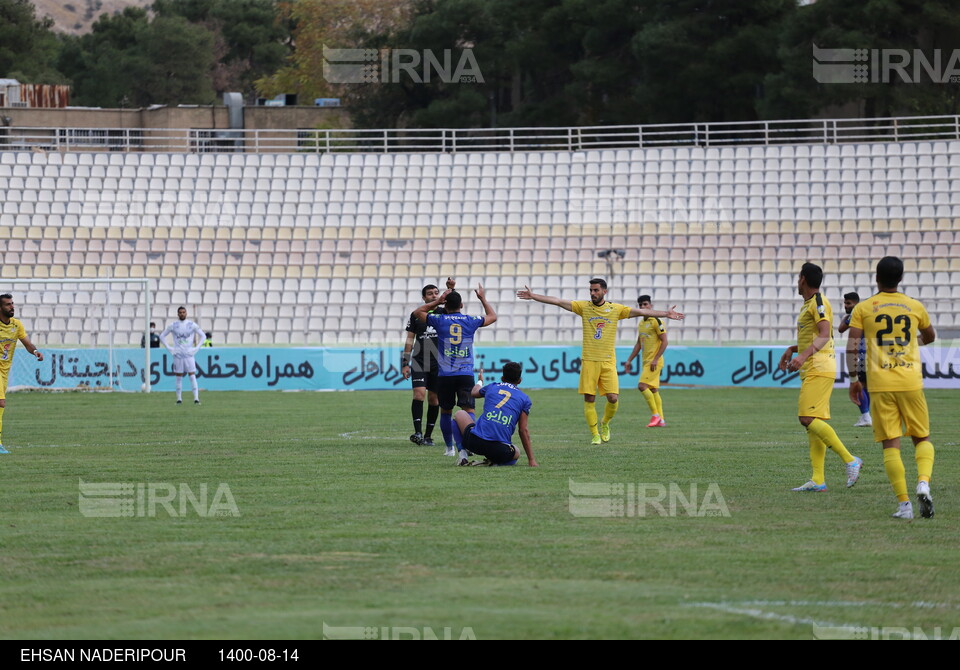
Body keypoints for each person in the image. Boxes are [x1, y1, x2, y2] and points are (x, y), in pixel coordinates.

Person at [517, 279, 683, 445]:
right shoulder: (584, 307)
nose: (592, 293)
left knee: (613, 398)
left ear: (604, 291)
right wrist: (533, 296)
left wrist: (665, 314)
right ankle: (595, 434)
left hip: (608, 362)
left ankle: (605, 423)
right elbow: (558, 301)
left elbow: (640, 312)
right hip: (589, 361)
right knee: (589, 399)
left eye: (596, 290)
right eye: (591, 290)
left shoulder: (616, 309)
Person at [845, 257, 936, 520]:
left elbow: (852, 347)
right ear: (901, 278)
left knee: (891, 444)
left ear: (876, 277)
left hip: (881, 383)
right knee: (922, 437)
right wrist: (910, 342)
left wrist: (854, 379)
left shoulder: (864, 308)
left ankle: (905, 506)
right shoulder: (914, 306)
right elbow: (930, 336)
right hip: (910, 381)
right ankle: (923, 482)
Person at [778, 263, 862, 492]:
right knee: (814, 423)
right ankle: (818, 480)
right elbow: (816, 336)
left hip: (819, 366)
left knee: (806, 417)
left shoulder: (818, 302)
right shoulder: (809, 304)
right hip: (814, 366)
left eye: (798, 278)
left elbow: (825, 335)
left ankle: (850, 459)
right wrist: (793, 349)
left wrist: (803, 355)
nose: (797, 281)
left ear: (803, 279)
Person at [414, 284, 496, 466]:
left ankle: (451, 448)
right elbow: (493, 317)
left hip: (445, 374)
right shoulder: (470, 320)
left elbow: (417, 312)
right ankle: (469, 444)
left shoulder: (439, 320)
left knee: (446, 411)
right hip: (465, 373)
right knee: (469, 412)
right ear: (462, 305)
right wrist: (482, 298)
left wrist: (437, 300)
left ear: (445, 305)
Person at [402, 278, 454, 452]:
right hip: (419, 358)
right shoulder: (416, 314)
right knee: (419, 394)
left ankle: (428, 436)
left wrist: (451, 290)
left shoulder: (444, 312)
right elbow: (410, 339)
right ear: (424, 298)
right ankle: (417, 433)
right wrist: (405, 362)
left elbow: (455, 306)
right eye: (430, 293)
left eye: (436, 293)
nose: (434, 295)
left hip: (439, 361)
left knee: (434, 399)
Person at [453, 362, 537, 467]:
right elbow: (523, 430)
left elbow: (474, 393)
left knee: (459, 413)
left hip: (474, 442)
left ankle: (463, 455)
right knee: (516, 452)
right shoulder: (524, 399)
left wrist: (480, 381)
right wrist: (531, 460)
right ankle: (495, 462)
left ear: (502, 378)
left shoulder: (492, 386)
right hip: (499, 449)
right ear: (520, 380)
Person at [0, 294, 44, 454]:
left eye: (12, 304)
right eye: (7, 305)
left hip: (5, 371)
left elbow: (27, 343)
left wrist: (35, 351)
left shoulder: (16, 325)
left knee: (0, 407)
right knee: (1, 402)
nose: (12, 307)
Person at [624, 294, 668, 428]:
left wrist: (655, 359)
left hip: (654, 362)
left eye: (645, 304)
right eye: (641, 305)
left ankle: (655, 415)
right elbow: (639, 343)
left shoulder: (657, 321)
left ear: (651, 305)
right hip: (646, 361)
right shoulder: (641, 323)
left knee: (642, 386)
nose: (643, 307)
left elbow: (665, 341)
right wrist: (629, 360)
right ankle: (661, 420)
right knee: (653, 390)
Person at [838, 291, 871, 427]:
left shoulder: (857, 313)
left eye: (848, 303)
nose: (845, 306)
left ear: (856, 303)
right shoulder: (864, 312)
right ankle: (867, 415)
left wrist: (850, 314)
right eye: (845, 303)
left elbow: (841, 328)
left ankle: (866, 416)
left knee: (860, 385)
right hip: (872, 354)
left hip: (863, 354)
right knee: (866, 386)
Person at [159, 306, 205, 405]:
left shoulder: (191, 324)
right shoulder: (173, 325)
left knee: (192, 375)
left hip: (189, 354)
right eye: (180, 312)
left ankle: (196, 399)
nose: (182, 314)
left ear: (186, 313)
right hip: (178, 354)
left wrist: (196, 348)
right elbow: (162, 336)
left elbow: (203, 336)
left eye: (184, 312)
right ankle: (179, 399)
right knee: (178, 376)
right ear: (178, 314)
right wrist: (169, 348)